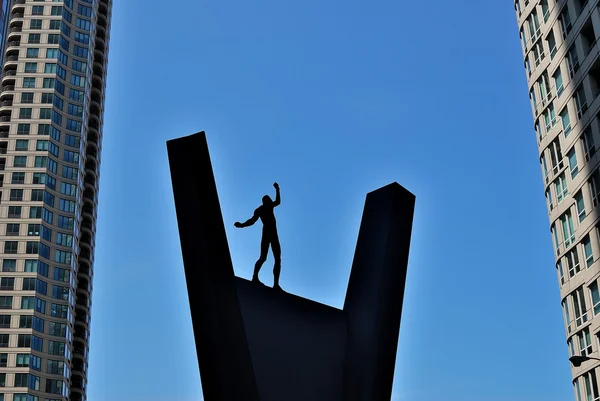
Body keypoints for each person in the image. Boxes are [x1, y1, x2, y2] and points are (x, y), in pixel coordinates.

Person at [234, 182, 282, 290]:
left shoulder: (261, 209)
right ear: (266, 202)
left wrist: (242, 225)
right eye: (268, 200)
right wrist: (277, 189)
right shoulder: (264, 208)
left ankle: (275, 284)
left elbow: (252, 221)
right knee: (266, 258)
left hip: (271, 234)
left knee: (274, 258)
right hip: (269, 234)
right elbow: (278, 202)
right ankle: (257, 278)